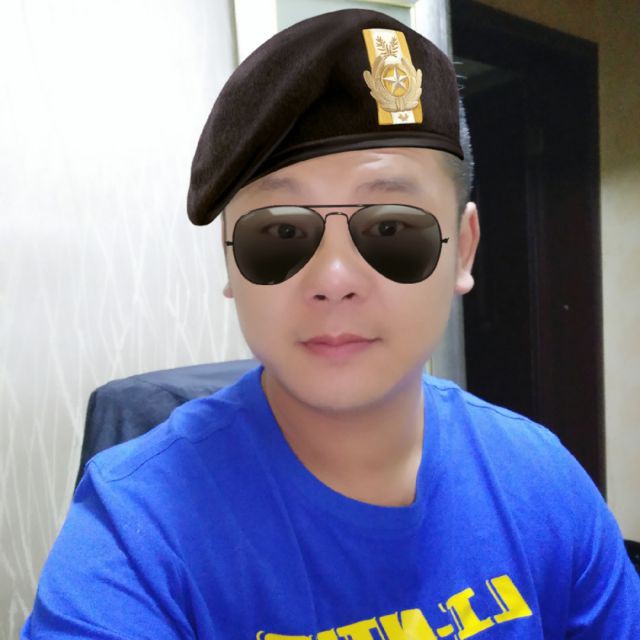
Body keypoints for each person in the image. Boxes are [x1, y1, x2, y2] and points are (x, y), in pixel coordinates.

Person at [22, 8, 640, 639]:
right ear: (231, 263)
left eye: (391, 226)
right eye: (281, 232)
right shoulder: (137, 532)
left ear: (462, 249)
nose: (335, 278)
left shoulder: (541, 482)